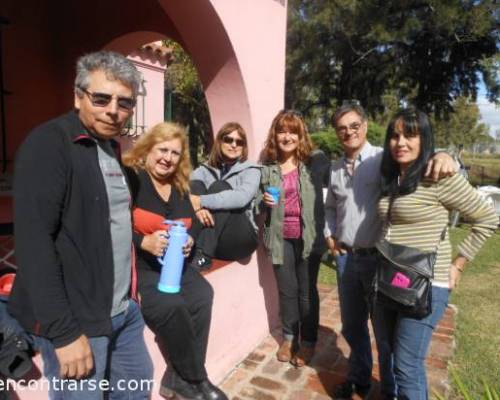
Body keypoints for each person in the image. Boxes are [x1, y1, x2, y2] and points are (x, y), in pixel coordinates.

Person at [8, 51, 153, 399]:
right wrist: (64, 332)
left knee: (136, 387)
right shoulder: (50, 143)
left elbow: (109, 226)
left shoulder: (112, 150)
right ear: (78, 96)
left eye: (124, 102)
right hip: (78, 320)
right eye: (101, 98)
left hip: (124, 312)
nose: (113, 110)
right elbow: (33, 242)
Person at [324, 103, 457, 399]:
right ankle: (359, 377)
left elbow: (420, 155)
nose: (349, 132)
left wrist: (447, 156)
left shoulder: (385, 158)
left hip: (381, 261)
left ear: (366, 126)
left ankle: (390, 390)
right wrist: (330, 236)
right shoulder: (334, 169)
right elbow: (330, 208)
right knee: (352, 326)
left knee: (385, 337)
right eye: (342, 128)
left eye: (354, 125)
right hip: (346, 258)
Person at [373, 109, 497, 400]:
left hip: (427, 284)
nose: (400, 142)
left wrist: (459, 265)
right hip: (390, 278)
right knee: (389, 353)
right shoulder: (395, 177)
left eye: (410, 135)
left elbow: (487, 218)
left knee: (407, 365)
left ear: (424, 139)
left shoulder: (439, 176)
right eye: (395, 135)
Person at [122, 122, 228, 400]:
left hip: (176, 266)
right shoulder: (132, 178)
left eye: (175, 153)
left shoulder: (180, 187)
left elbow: (191, 223)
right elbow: (110, 224)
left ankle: (177, 378)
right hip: (140, 268)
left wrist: (191, 238)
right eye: (162, 150)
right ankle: (197, 379)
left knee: (203, 294)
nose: (167, 158)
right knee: (171, 305)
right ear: (147, 149)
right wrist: (142, 241)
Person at [257, 110, 330, 367]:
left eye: (292, 131)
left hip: (308, 238)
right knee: (287, 291)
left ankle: (308, 341)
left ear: (301, 136)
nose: (287, 136)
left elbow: (337, 189)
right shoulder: (267, 166)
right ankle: (289, 338)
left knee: (306, 293)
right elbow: (255, 200)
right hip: (279, 237)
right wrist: (262, 201)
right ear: (275, 135)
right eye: (282, 130)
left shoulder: (315, 161)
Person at [189, 122, 261, 269]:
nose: (234, 145)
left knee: (219, 186)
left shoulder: (252, 170)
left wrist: (201, 201)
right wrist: (198, 209)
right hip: (215, 240)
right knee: (195, 184)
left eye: (239, 142)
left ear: (243, 147)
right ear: (220, 141)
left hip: (240, 238)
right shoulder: (205, 169)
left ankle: (203, 255)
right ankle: (196, 249)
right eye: (229, 139)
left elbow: (241, 198)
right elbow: (185, 189)